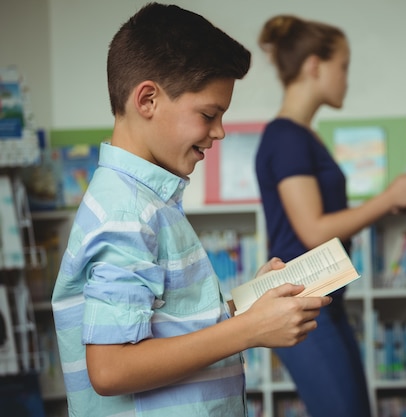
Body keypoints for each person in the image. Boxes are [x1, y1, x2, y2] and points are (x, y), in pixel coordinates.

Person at [51, 4, 331, 417]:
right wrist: (249, 329)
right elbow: (110, 368)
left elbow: (165, 322)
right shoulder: (125, 210)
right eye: (208, 114)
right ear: (147, 99)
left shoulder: (148, 200)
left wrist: (242, 308)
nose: (219, 131)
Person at [255, 14, 406, 417]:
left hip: (325, 297)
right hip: (301, 298)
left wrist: (392, 202)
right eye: (344, 66)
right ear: (314, 66)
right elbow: (313, 229)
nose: (347, 78)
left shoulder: (302, 135)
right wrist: (387, 199)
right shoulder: (286, 138)